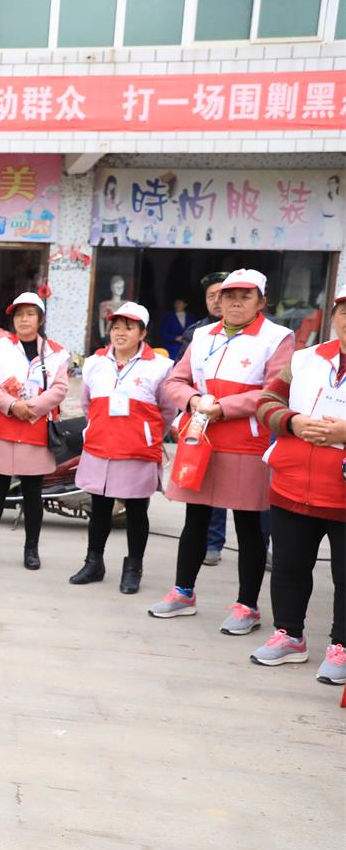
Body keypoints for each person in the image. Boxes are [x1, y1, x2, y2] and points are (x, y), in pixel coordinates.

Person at [148, 269, 293, 633]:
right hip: (200, 439)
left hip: (246, 442)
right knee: (195, 518)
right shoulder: (202, 335)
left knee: (248, 525)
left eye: (246, 296)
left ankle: (247, 606)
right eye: (229, 296)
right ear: (218, 300)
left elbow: (274, 391)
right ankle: (183, 592)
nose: (235, 303)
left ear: (261, 302)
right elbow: (175, 381)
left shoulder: (277, 337)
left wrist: (223, 408)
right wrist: (193, 400)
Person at [248, 283, 345, 684]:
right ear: (334, 316)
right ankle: (289, 635)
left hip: (342, 494)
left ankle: (342, 646)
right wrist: (293, 422)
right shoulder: (305, 359)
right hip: (292, 485)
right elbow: (266, 401)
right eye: (344, 311)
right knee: (289, 566)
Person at [68, 302, 175, 595]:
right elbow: (88, 404)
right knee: (99, 508)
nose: (120, 333)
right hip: (100, 447)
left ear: (142, 332)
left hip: (137, 450)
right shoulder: (94, 363)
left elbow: (168, 410)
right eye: (115, 327)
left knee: (136, 511)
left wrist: (147, 434)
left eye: (128, 327)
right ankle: (93, 563)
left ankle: (133, 568)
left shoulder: (160, 366)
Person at [0, 292, 71, 571]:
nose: (23, 319)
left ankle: (31, 549)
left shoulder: (56, 353)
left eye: (29, 314)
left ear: (40, 319)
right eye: (18, 314)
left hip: (35, 428)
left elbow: (60, 388)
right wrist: (13, 405)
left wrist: (33, 407)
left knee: (32, 492)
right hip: (3, 427)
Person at [177, 273, 231, 564]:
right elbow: (180, 376)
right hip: (201, 417)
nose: (217, 301)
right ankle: (209, 541)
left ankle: (254, 544)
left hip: (236, 417)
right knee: (202, 482)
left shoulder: (263, 335)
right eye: (211, 296)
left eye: (223, 295)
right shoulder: (196, 333)